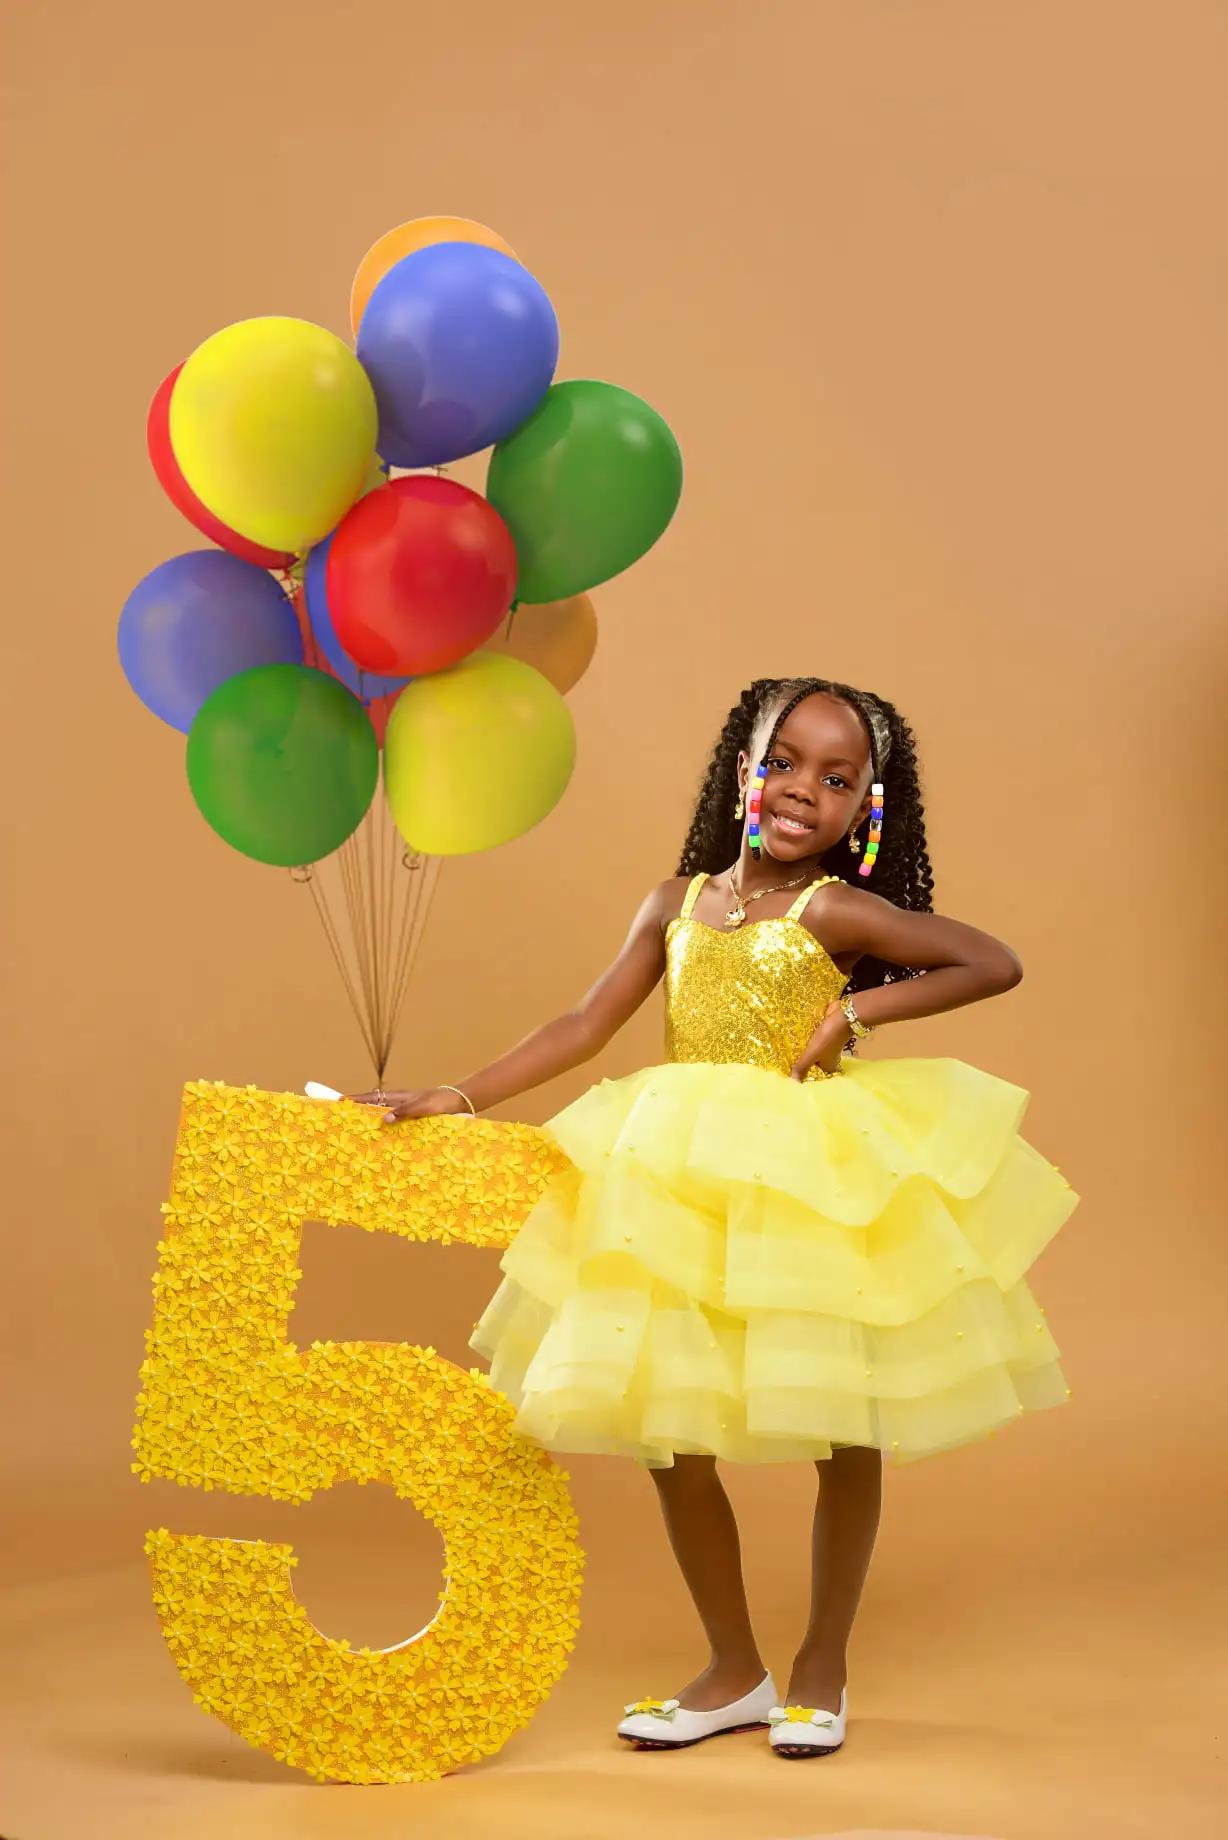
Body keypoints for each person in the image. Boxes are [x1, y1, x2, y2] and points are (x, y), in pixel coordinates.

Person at [354, 676, 1077, 1760]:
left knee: (842, 1417)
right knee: (669, 1425)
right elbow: (585, 1022)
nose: (803, 792)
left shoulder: (828, 909)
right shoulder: (675, 902)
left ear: (864, 808)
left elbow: (991, 960)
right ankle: (732, 1666)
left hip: (803, 1175)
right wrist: (458, 1093)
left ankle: (821, 1663)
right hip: (674, 1172)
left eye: (838, 780)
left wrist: (852, 1009)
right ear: (743, 764)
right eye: (785, 760)